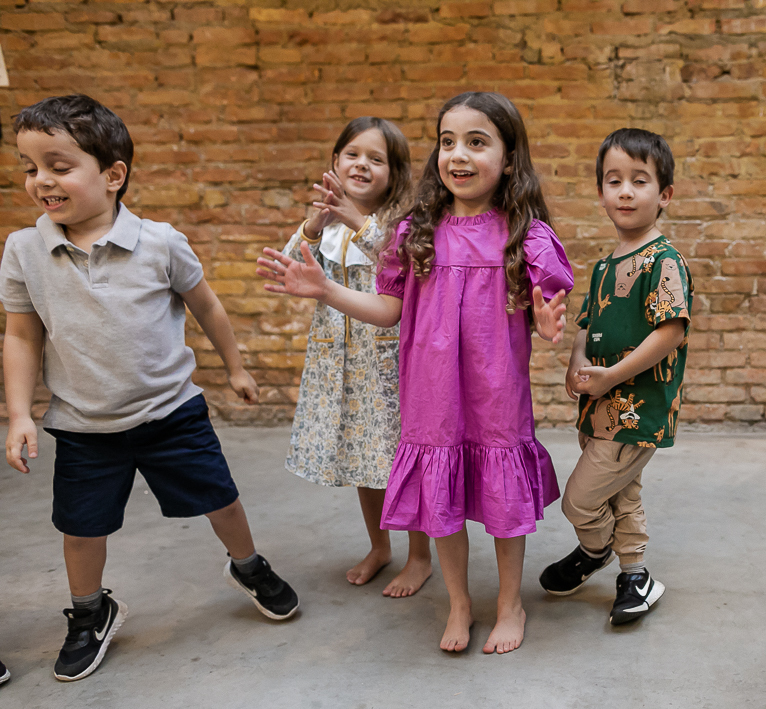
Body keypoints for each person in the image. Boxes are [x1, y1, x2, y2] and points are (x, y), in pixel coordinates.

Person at [259, 92, 571, 654]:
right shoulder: (416, 231)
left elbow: (551, 305)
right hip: (430, 393)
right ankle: (457, 604)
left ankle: (508, 603)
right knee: (441, 498)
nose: (458, 155)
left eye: (477, 142)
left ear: (509, 157)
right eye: (447, 141)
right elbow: (389, 310)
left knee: (501, 503)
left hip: (495, 392)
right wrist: (326, 289)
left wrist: (548, 322)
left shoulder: (524, 234)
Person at [1, 95, 298, 682]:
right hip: (84, 424)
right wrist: (19, 413)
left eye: (59, 166)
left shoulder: (160, 242)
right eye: (29, 166)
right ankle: (90, 611)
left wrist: (236, 367)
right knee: (81, 527)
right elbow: (21, 335)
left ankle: (248, 563)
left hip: (171, 413)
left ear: (113, 176)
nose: (41, 181)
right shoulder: (23, 250)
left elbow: (206, 305)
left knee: (221, 498)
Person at [538, 128, 691, 625]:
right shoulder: (606, 264)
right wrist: (575, 361)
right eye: (614, 180)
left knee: (580, 500)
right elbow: (586, 323)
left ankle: (595, 548)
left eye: (639, 180)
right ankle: (635, 573)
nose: (625, 191)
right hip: (598, 406)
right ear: (601, 192)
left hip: (635, 409)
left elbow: (670, 332)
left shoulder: (663, 261)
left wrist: (612, 378)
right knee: (622, 493)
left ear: (663, 194)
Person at [280, 117, 433, 597]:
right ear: (334, 161)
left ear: (395, 172)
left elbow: (401, 260)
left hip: (386, 366)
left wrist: (355, 220)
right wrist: (313, 224)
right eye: (352, 154)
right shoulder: (324, 223)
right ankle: (379, 546)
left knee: (401, 461)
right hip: (339, 364)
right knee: (364, 461)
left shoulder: (400, 222)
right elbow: (291, 263)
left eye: (376, 158)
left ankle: (421, 556)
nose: (361, 165)